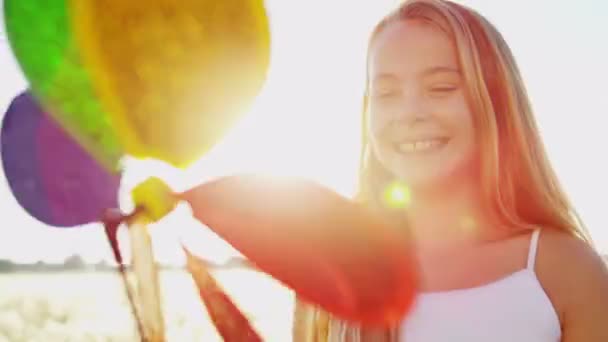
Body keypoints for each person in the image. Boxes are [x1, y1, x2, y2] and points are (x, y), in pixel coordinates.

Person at [292, 0, 608, 341]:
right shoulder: (331, 272)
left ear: (496, 101)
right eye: (386, 93)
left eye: (440, 88)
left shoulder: (565, 270)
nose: (409, 113)